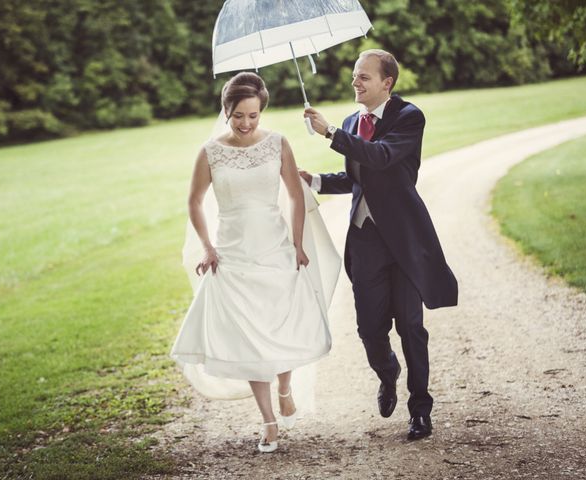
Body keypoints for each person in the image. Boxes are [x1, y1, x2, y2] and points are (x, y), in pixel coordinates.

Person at [170, 72, 338, 453]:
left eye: (253, 116)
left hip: (275, 248)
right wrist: (207, 247)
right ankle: (268, 421)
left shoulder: (278, 143)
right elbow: (195, 201)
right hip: (233, 255)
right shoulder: (210, 151)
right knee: (250, 339)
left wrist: (296, 243)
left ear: (262, 111)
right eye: (238, 116)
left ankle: (284, 386)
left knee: (281, 328)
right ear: (226, 111)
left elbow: (295, 195)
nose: (246, 124)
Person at [301, 49, 458, 440]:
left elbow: (382, 157)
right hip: (365, 240)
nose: (355, 81)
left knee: (411, 327)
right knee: (370, 330)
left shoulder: (409, 117)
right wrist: (316, 181)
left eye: (363, 77)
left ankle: (420, 410)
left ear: (387, 83)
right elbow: (359, 176)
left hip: (404, 241)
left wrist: (330, 134)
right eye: (355, 76)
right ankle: (387, 373)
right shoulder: (354, 120)